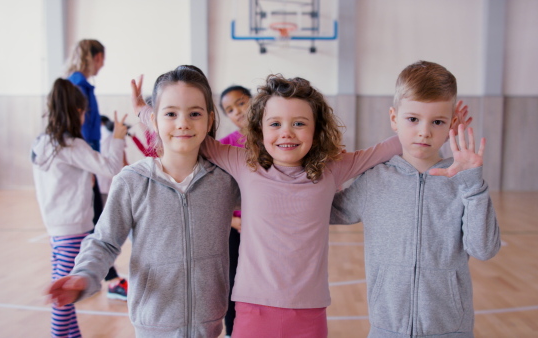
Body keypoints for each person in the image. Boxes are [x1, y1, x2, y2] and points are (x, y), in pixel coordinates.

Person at [132, 72, 471, 337]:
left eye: (299, 123)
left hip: (309, 313)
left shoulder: (332, 169)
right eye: (275, 124)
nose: (287, 133)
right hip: (252, 308)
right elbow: (190, 132)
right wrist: (147, 117)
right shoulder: (244, 163)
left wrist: (436, 124)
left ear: (316, 128)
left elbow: (387, 147)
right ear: (259, 128)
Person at [47, 65, 240, 337]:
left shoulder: (225, 181)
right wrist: (84, 275)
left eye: (194, 114)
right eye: (170, 114)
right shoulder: (131, 181)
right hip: (152, 324)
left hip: (208, 324)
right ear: (155, 121)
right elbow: (104, 241)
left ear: (209, 121)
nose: (183, 123)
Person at [330, 61, 501, 337]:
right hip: (387, 328)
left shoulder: (463, 182)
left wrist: (473, 186)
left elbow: (484, 249)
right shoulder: (375, 180)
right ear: (394, 118)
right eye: (413, 119)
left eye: (437, 121)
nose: (424, 131)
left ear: (452, 124)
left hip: (449, 329)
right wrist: (326, 174)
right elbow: (324, 211)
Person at [32, 78, 127, 338]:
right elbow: (110, 168)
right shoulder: (71, 145)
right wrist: (118, 137)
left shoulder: (42, 144)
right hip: (74, 230)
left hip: (56, 229)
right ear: (77, 111)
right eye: (84, 111)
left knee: (66, 291)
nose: (85, 116)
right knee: (64, 297)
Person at [65, 39, 127, 299]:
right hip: (84, 160)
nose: (104, 64)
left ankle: (108, 277)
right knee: (98, 223)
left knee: (97, 219)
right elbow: (80, 130)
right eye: (103, 58)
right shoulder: (79, 86)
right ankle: (107, 279)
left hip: (87, 158)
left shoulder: (80, 84)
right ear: (97, 57)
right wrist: (88, 166)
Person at [218, 85, 252, 337]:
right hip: (236, 229)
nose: (237, 111)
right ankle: (231, 332)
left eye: (241, 103)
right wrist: (230, 219)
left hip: (267, 229)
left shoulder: (273, 139)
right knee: (233, 282)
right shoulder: (225, 146)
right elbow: (216, 192)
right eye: (230, 109)